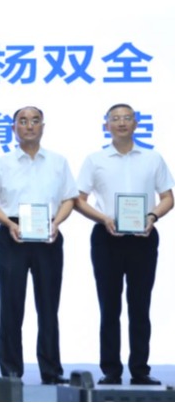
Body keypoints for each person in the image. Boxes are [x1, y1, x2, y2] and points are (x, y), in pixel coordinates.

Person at [74, 104, 173, 386]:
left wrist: (152, 216)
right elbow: (79, 199)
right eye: (115, 118)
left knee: (140, 305)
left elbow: (168, 197)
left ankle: (140, 369)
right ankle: (111, 370)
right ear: (106, 125)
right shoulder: (95, 160)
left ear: (136, 123)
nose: (121, 123)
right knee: (109, 306)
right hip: (106, 237)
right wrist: (104, 218)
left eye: (127, 118)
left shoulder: (153, 158)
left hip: (143, 237)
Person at [0, 106, 77, 385]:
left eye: (35, 121)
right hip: (13, 233)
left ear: (43, 127)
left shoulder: (58, 162)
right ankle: (11, 370)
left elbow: (69, 199)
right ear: (14, 128)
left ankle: (51, 369)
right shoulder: (1, 163)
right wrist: (9, 224)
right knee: (11, 303)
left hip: (48, 234)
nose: (29, 126)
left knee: (48, 305)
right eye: (22, 121)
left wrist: (56, 223)